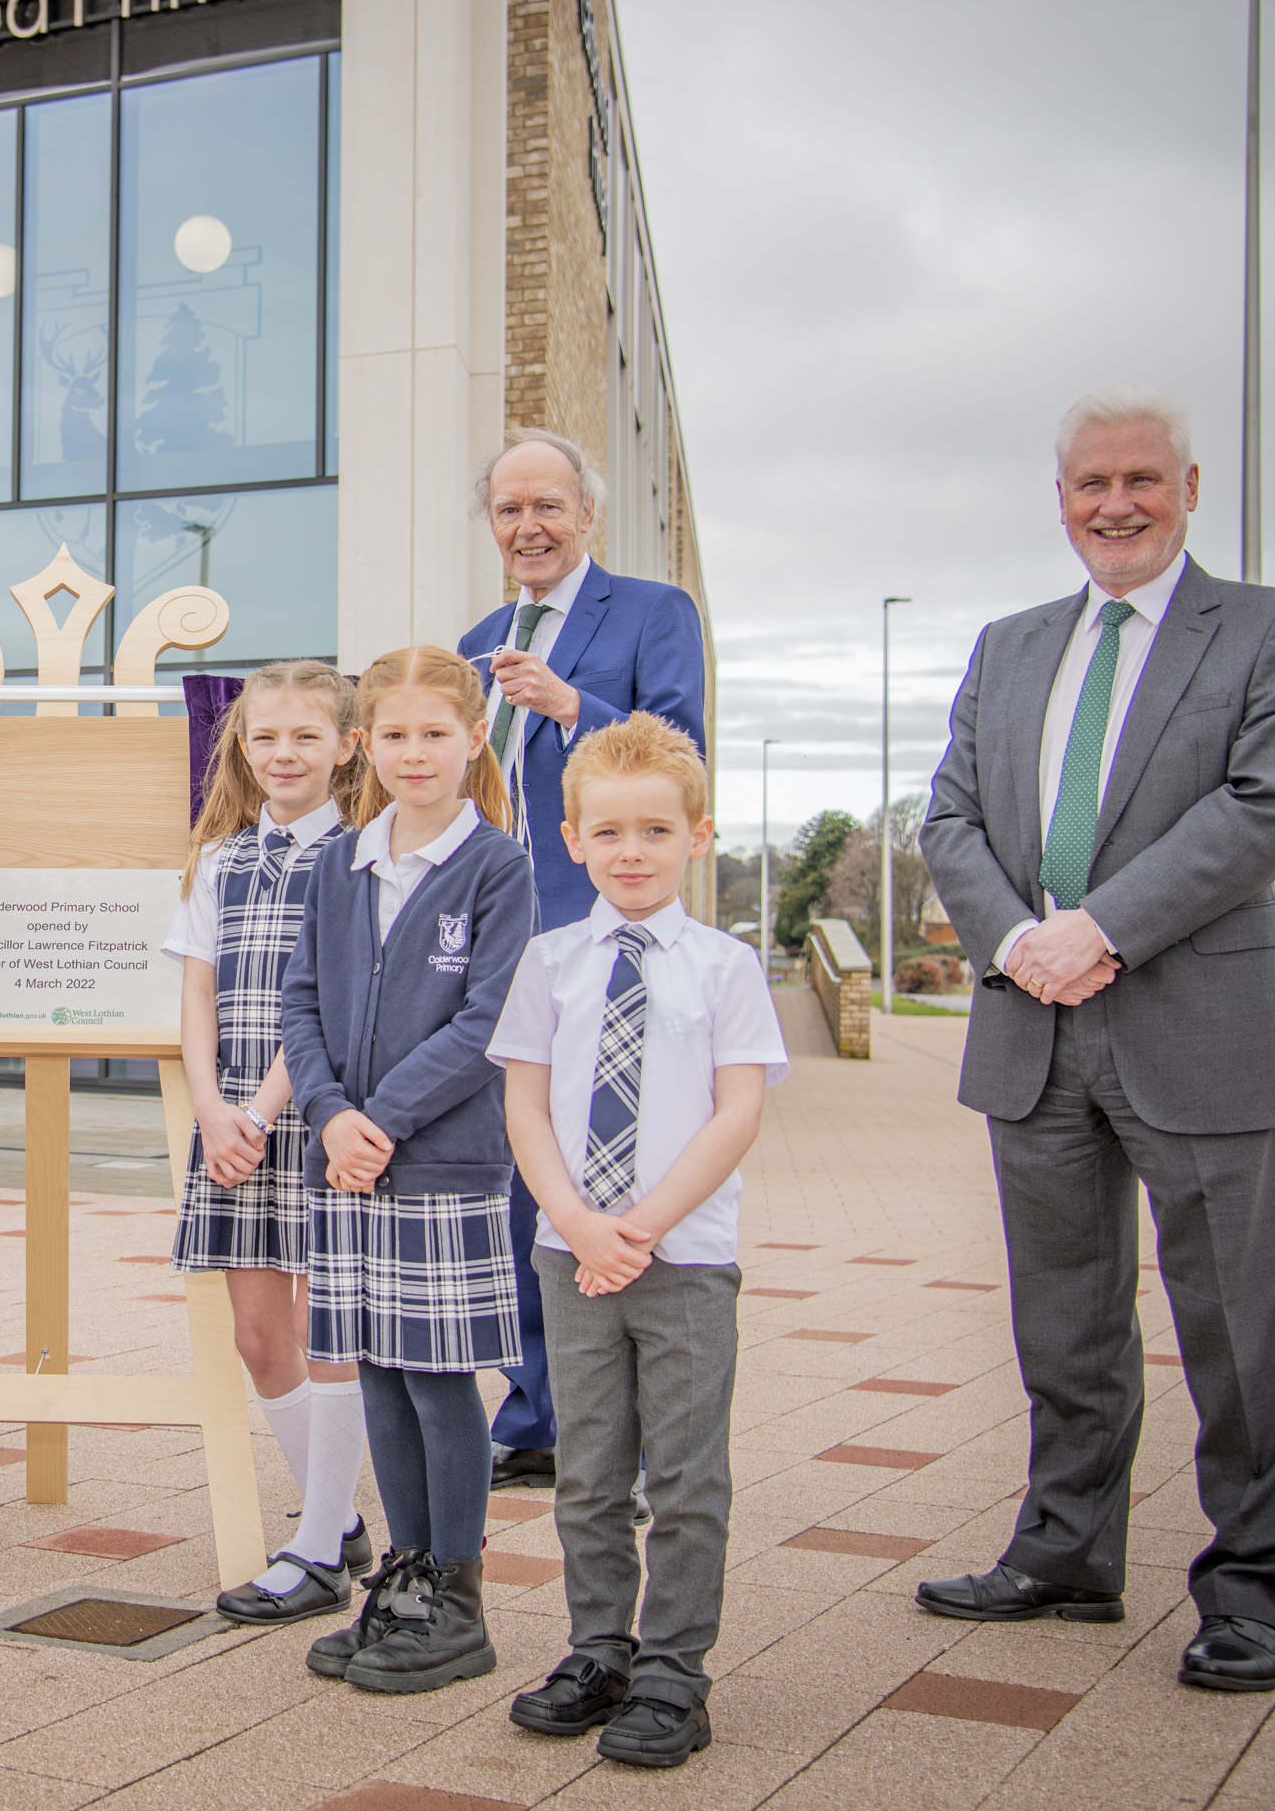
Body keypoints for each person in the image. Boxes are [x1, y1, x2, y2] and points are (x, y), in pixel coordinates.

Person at [914, 391, 1275, 1696]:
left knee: (1237, 1320)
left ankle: (1252, 1589)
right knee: (1066, 1320)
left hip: (1194, 1020)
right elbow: (951, 819)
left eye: (1141, 479)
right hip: (1032, 1027)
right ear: (1061, 498)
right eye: (1092, 482)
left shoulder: (1274, 631)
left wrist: (1099, 929)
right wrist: (1021, 941)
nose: (1116, 504)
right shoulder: (1011, 645)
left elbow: (1261, 813)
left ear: (1189, 486)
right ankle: (1067, 1553)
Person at [491, 713, 787, 1770]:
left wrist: (643, 1225)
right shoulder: (550, 961)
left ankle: (674, 1671)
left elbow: (736, 1111)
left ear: (696, 836)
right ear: (572, 837)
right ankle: (598, 1648)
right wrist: (577, 1224)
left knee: (689, 1475)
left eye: (656, 830)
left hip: (685, 1256)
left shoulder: (725, 966)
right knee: (590, 1469)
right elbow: (526, 1107)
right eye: (608, 830)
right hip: (572, 1254)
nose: (631, 849)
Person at [281, 646, 536, 1696]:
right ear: (364, 746)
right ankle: (407, 1572)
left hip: (442, 1165)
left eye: (436, 732)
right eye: (394, 734)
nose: (415, 752)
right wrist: (333, 1114)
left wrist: (377, 1119)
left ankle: (459, 1600)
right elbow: (297, 1003)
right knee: (377, 1371)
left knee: (437, 1380)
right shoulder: (337, 864)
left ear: (475, 738)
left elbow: (490, 1019)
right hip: (348, 1164)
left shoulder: (497, 865)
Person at [457, 430, 706, 1491]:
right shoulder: (474, 640)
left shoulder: (652, 612)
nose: (529, 526)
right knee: (519, 1176)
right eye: (510, 510)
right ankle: (536, 1413)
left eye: (548, 505)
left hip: (602, 933)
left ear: (586, 512)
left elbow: (682, 749)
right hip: (495, 939)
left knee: (609, 1165)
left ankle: (624, 1426)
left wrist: (569, 704)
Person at [166, 662, 376, 1625]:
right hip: (234, 1125)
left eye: (304, 737)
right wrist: (213, 1107)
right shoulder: (221, 859)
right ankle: (335, 1521)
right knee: (260, 1337)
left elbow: (328, 1003)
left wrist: (259, 1110)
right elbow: (199, 993)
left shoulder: (362, 856)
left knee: (330, 1334)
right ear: (241, 748)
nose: (282, 754)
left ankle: (317, 1545)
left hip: (322, 1113)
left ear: (345, 747)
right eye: (264, 737)